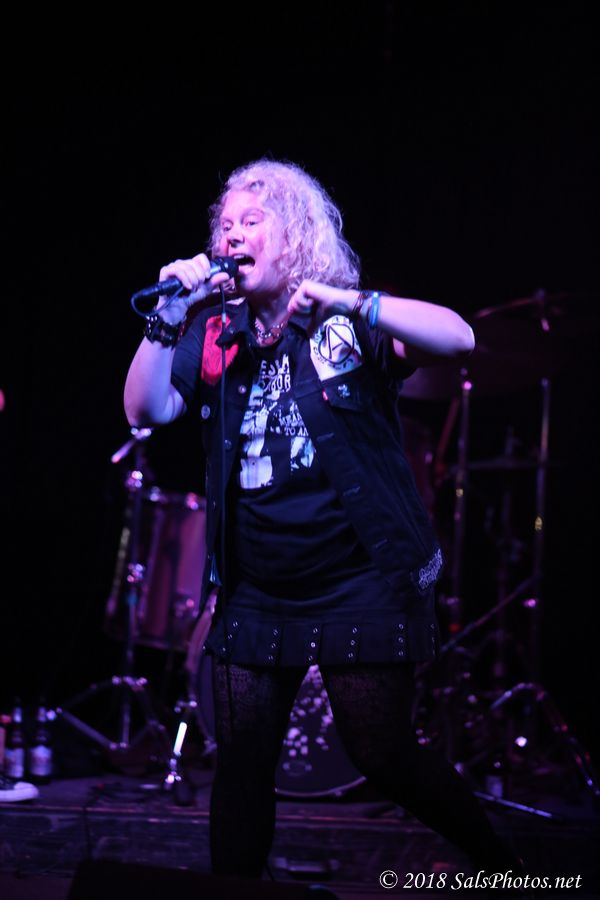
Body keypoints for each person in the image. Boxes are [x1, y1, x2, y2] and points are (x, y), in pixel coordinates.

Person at [124, 159, 523, 882]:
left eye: (252, 221)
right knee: (242, 763)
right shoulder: (213, 333)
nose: (231, 234)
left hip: (358, 578)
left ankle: (503, 869)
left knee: (383, 753)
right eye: (225, 224)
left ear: (297, 237)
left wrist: (354, 301)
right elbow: (145, 410)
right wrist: (168, 313)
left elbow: (459, 338)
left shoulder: (344, 322)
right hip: (257, 585)